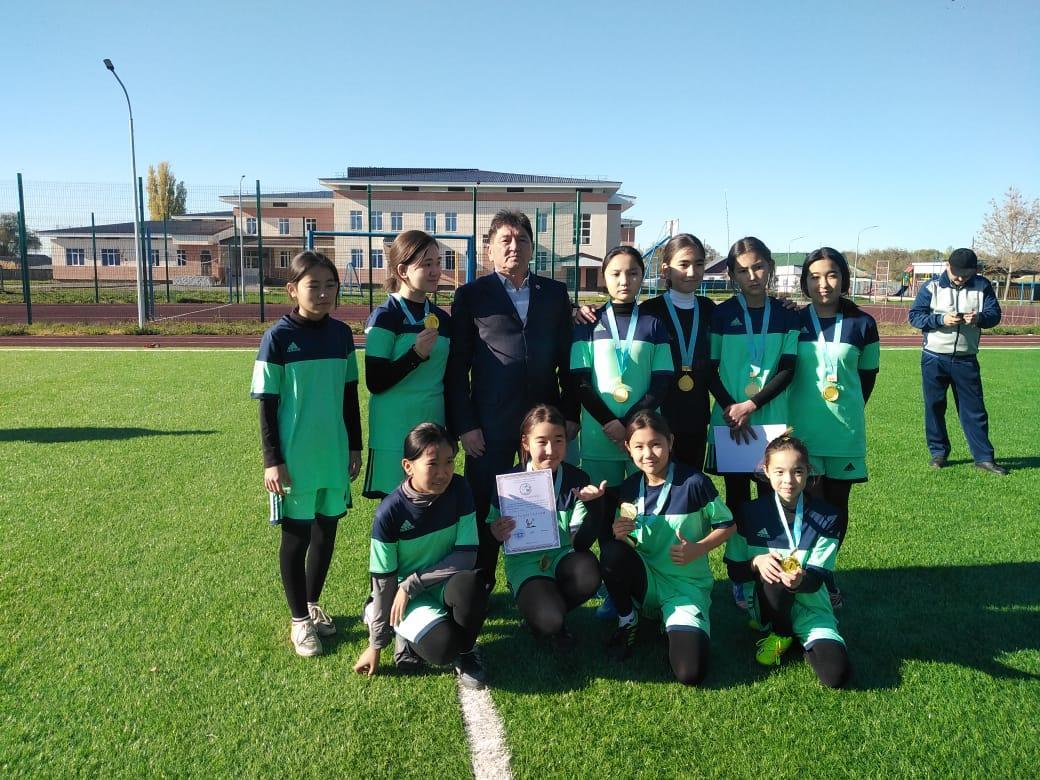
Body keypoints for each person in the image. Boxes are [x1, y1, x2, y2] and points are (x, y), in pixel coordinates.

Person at [446, 210, 578, 589]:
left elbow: (568, 361)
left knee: (544, 501)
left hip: (543, 425)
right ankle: (481, 579)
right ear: (489, 249)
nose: (513, 246)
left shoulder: (555, 294)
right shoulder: (471, 296)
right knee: (484, 502)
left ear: (532, 247)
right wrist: (466, 425)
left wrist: (570, 414)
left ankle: (541, 576)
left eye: (521, 239)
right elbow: (457, 369)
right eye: (505, 240)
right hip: (489, 425)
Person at [250, 251, 363, 657]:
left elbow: (349, 395)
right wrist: (272, 460)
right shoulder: (277, 338)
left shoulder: (342, 335)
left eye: (330, 285)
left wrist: (354, 445)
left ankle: (312, 604)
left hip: (333, 454)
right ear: (292, 290)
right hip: (295, 460)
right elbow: (266, 405)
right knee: (296, 537)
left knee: (326, 532)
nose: (324, 293)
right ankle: (299, 620)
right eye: (314, 285)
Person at [600, 411, 734, 685]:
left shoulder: (694, 483)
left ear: (670, 442)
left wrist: (698, 548)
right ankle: (628, 619)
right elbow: (629, 543)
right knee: (612, 552)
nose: (648, 454)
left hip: (685, 586)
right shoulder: (629, 488)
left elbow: (728, 525)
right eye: (639, 446)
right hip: (647, 581)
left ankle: (672, 619)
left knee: (690, 673)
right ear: (628, 448)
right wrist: (620, 534)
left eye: (655, 444)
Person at [353, 423, 490, 689]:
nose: (443, 472)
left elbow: (466, 556)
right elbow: (384, 580)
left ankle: (467, 654)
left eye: (449, 462)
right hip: (404, 597)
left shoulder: (460, 488)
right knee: (442, 649)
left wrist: (413, 583)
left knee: (471, 586)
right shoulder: (389, 513)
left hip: (431, 585)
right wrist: (375, 645)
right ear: (408, 466)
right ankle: (382, 617)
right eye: (432, 464)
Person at [788, 247, 880, 607]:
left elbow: (867, 378)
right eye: (814, 277)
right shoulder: (793, 320)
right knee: (808, 508)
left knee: (837, 510)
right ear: (804, 282)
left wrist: (846, 410)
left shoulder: (863, 324)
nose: (823, 284)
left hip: (843, 433)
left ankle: (824, 576)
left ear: (844, 279)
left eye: (831, 275)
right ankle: (800, 573)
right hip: (802, 434)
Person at [723, 433, 851, 688]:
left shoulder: (827, 517)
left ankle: (796, 634)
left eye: (797, 471)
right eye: (779, 472)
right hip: (766, 602)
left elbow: (817, 580)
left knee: (836, 676)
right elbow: (735, 572)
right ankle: (778, 630)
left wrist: (801, 580)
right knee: (773, 571)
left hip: (811, 608)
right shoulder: (749, 513)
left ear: (808, 471)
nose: (789, 480)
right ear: (766, 471)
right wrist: (756, 563)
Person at [487, 405, 604, 649]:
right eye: (542, 441)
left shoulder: (577, 480)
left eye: (558, 440)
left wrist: (594, 508)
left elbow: (580, 543)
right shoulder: (507, 484)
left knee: (588, 571)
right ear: (526, 443)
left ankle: (549, 608)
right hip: (525, 563)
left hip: (563, 557)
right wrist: (495, 533)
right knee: (549, 622)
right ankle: (543, 612)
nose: (551, 450)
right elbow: (490, 533)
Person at [706, 237, 800, 516]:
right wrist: (732, 409)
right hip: (730, 419)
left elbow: (788, 369)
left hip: (772, 420)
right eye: (743, 270)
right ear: (731, 274)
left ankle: (774, 546)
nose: (752, 276)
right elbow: (708, 369)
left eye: (758, 267)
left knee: (773, 499)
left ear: (770, 266)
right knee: (737, 498)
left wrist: (749, 406)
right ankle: (739, 548)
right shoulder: (721, 314)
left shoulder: (787, 314)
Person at [570, 245, 674, 491]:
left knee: (645, 504)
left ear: (642, 276)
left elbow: (662, 382)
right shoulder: (588, 322)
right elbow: (580, 381)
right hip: (599, 435)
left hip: (643, 437)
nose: (624, 281)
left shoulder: (654, 325)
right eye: (615, 274)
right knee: (602, 505)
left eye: (633, 273)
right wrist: (610, 423)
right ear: (604, 277)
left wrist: (629, 424)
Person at [363, 230, 451, 499]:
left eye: (438, 262)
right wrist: (415, 355)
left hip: (433, 427)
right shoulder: (384, 317)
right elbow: (375, 382)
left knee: (433, 507)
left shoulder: (443, 319)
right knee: (396, 508)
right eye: (427, 264)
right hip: (393, 433)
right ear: (402, 270)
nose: (436, 271)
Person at [908, 248, 1007, 475]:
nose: (961, 278)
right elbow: (915, 316)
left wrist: (979, 318)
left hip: (966, 359)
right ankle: (938, 453)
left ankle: (984, 458)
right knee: (934, 407)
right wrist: (940, 320)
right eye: (957, 273)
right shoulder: (931, 287)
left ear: (975, 271)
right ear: (947, 266)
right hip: (933, 357)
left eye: (966, 274)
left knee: (975, 410)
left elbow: (994, 315)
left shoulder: (983, 286)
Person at [640, 233, 716, 471]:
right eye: (683, 264)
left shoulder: (709, 309)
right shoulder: (649, 311)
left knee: (691, 478)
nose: (692, 272)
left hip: (696, 413)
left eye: (698, 264)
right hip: (659, 413)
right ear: (666, 270)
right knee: (659, 477)